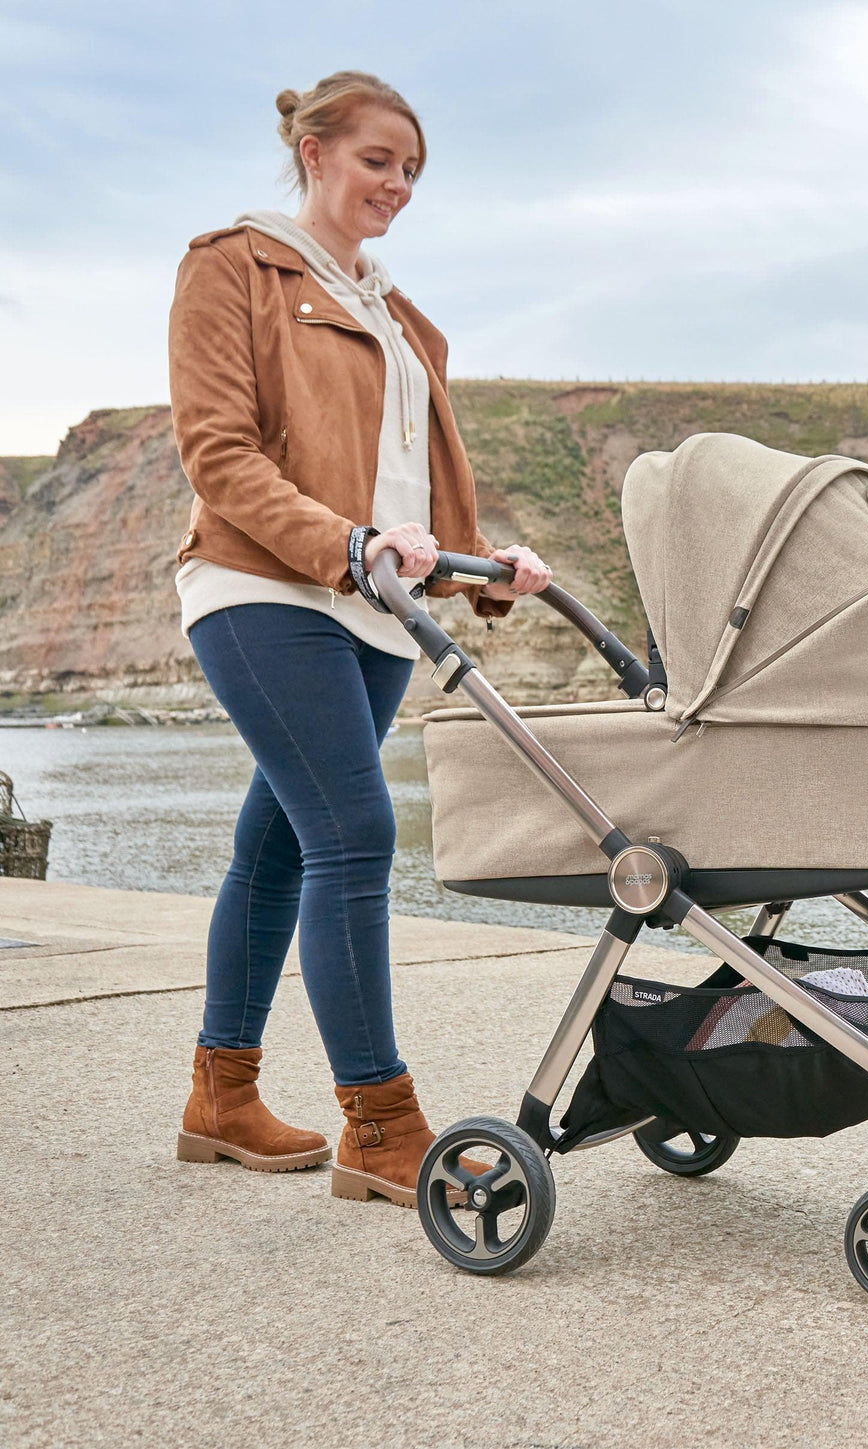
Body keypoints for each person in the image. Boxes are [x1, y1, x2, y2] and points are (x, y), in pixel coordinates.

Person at [168, 71, 551, 1207]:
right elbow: (219, 452)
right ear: (316, 150)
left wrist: (491, 565)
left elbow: (412, 479)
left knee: (282, 845)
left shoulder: (399, 311)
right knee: (353, 830)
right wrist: (338, 540)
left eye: (414, 172)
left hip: (377, 605)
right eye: (380, 160)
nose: (397, 185)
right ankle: (379, 1124)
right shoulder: (231, 265)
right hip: (262, 583)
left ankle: (220, 1097)